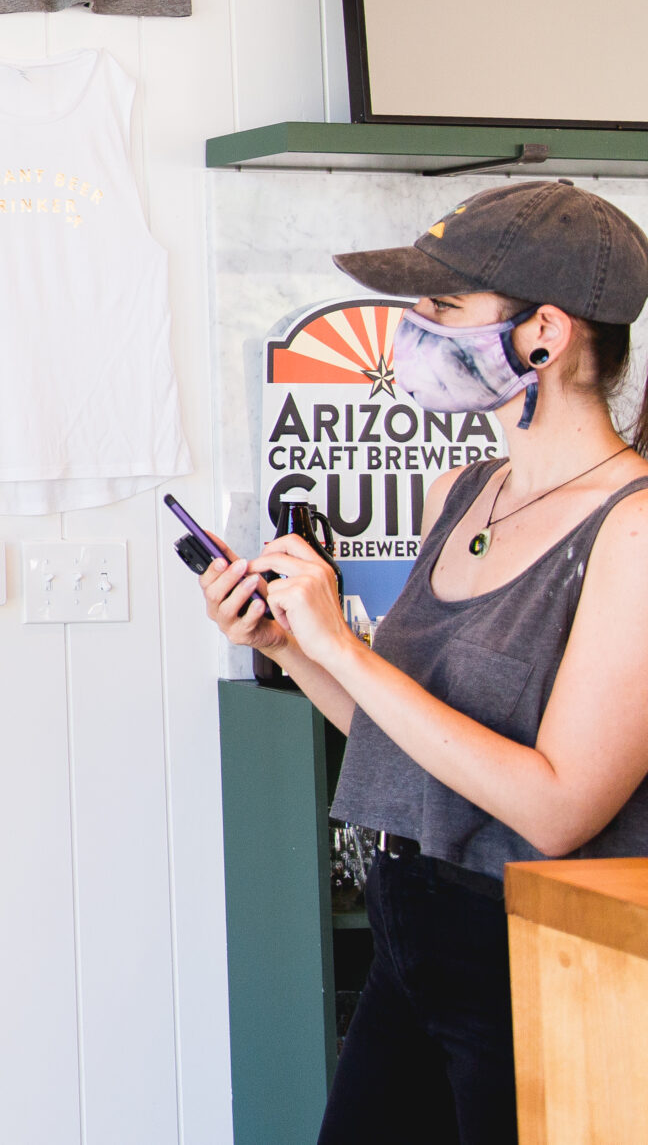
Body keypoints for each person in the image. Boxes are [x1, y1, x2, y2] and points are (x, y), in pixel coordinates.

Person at [199, 181, 648, 1145]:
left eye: (441, 308)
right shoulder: (463, 489)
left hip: (544, 960)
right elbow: (410, 744)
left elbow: (558, 806)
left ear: (545, 336)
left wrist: (342, 651)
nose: (410, 329)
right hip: (413, 928)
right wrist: (295, 648)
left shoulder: (635, 529)